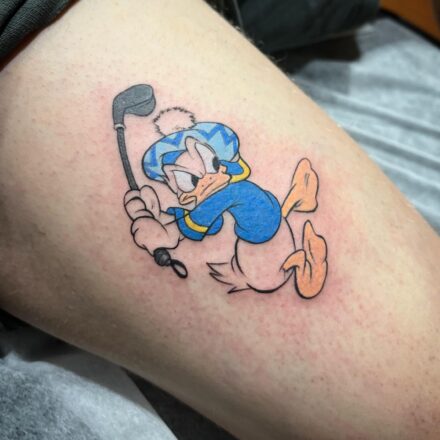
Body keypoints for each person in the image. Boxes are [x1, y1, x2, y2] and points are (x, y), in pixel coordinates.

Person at [0, 1, 439, 439]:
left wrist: (168, 235)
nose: (193, 177)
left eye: (198, 166)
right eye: (181, 175)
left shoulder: (226, 191)